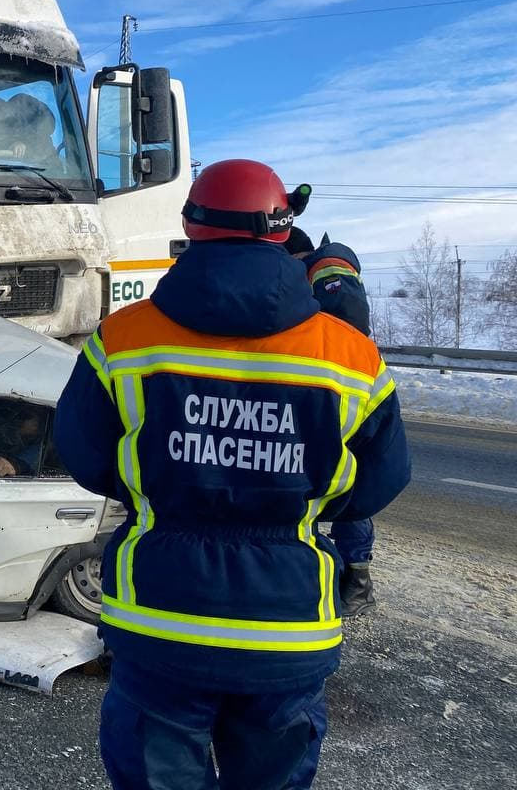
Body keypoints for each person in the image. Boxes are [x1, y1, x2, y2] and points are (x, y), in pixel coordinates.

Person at [55, 159, 411, 788]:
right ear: (283, 232)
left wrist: (166, 483)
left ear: (191, 227)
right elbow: (382, 479)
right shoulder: (350, 354)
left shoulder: (123, 339)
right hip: (288, 626)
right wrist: (295, 497)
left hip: (159, 617)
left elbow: (85, 456)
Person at [285, 226, 378, 617]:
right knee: (338, 479)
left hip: (334, 386)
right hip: (345, 384)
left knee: (335, 480)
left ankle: (353, 583)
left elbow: (337, 332)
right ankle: (350, 578)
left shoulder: (319, 273)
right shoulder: (321, 273)